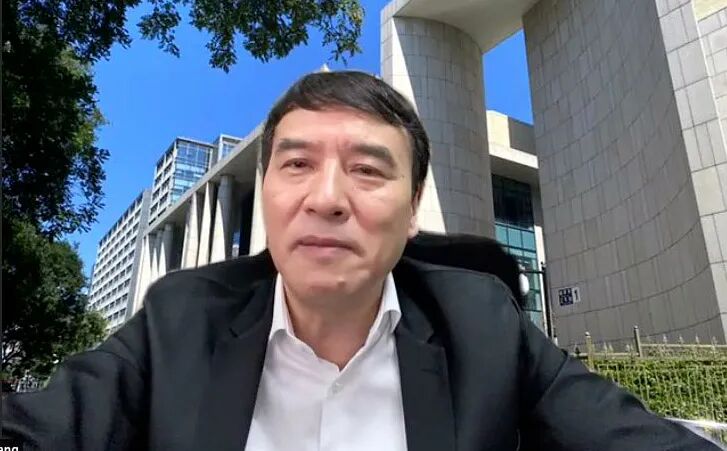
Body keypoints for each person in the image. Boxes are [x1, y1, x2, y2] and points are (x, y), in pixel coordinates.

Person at [2, 71, 719, 451]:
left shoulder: (481, 324)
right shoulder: (181, 316)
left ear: (411, 213)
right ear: (266, 195)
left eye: (369, 171)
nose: (326, 198)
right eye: (296, 164)